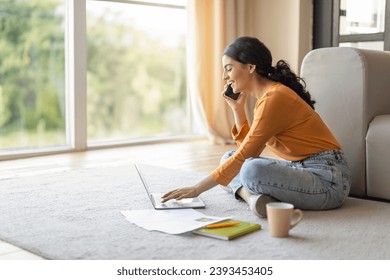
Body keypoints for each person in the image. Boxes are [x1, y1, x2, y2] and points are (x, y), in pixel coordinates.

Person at [162, 36, 351, 218]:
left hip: (328, 181)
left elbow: (246, 155)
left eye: (228, 69)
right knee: (228, 158)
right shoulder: (266, 97)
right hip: (303, 169)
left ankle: (251, 195)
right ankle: (254, 199)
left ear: (251, 67)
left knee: (250, 170)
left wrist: (196, 189)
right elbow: (246, 151)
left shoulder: (274, 98)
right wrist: (238, 110)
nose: (224, 76)